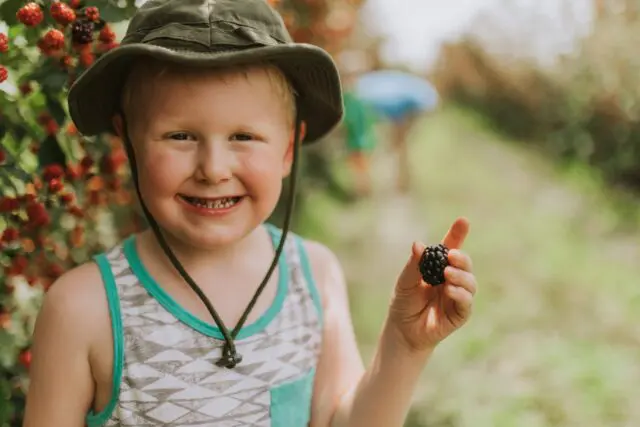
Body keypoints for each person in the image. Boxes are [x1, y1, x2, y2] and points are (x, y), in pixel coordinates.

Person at [22, 1, 478, 426]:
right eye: (179, 136)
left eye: (243, 136)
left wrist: (404, 348)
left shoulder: (313, 277)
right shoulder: (84, 309)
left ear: (287, 149)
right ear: (129, 142)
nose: (213, 169)